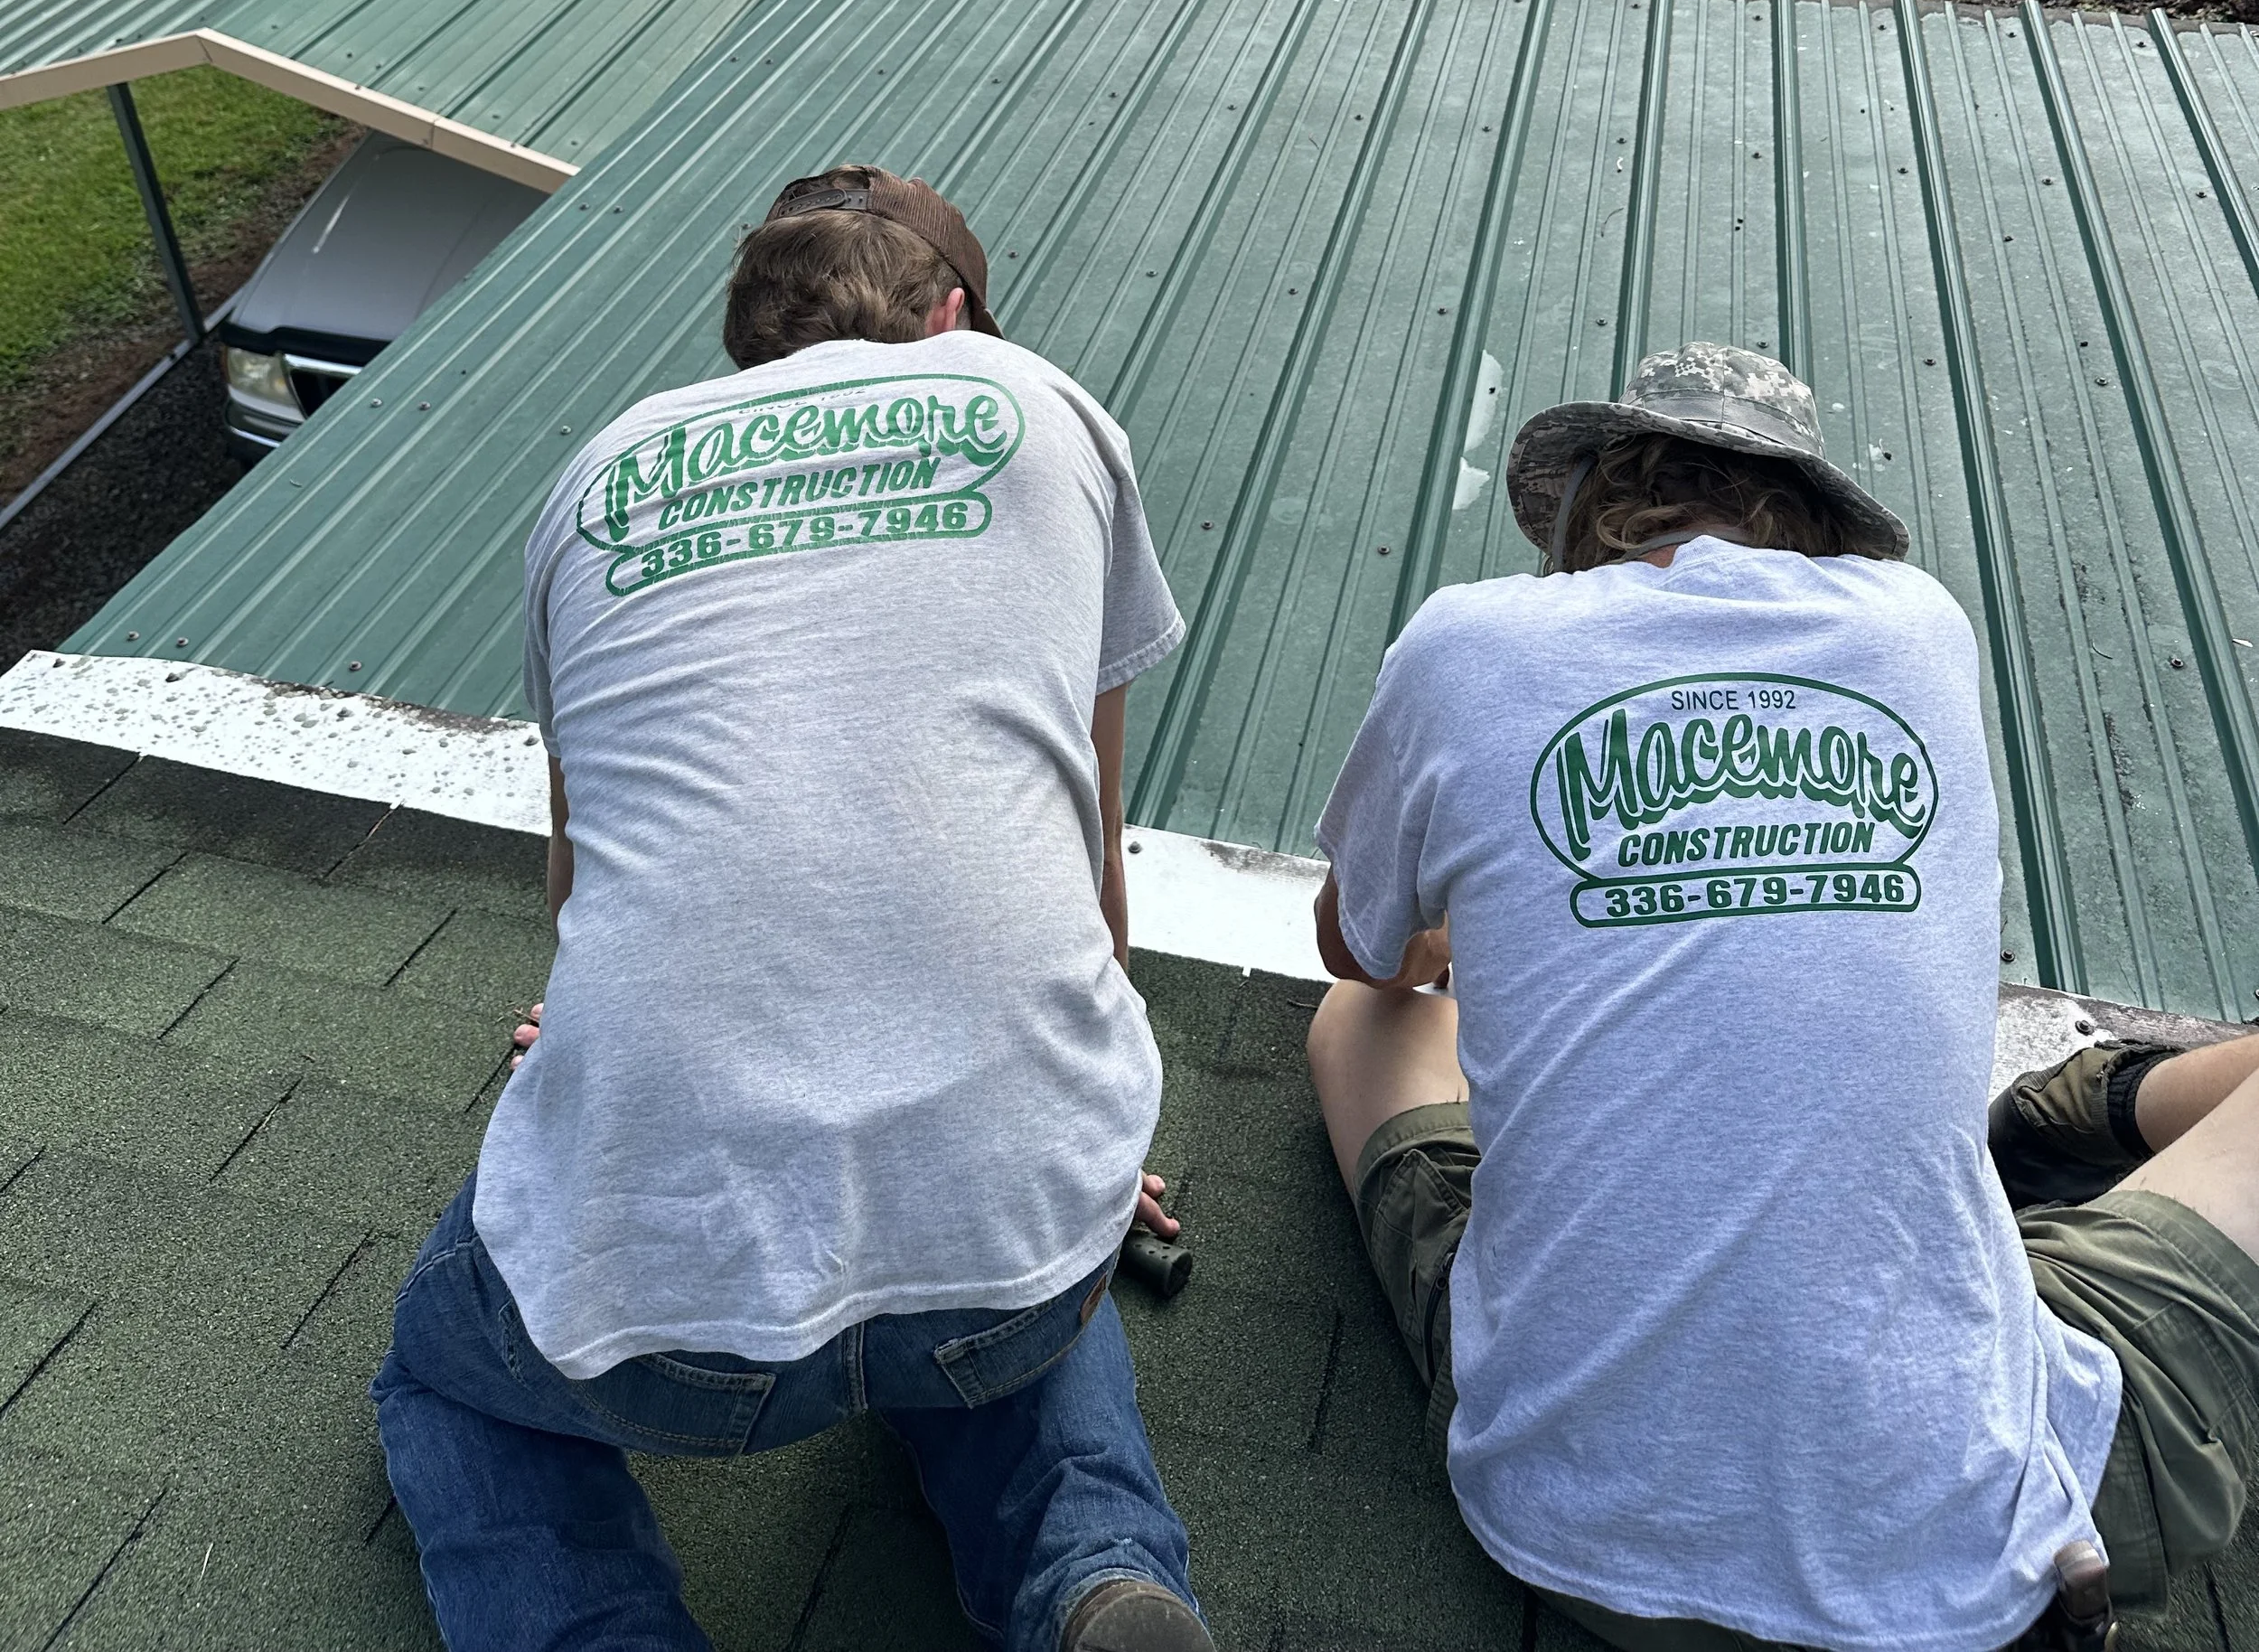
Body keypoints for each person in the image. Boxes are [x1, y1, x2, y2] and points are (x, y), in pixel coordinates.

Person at [1305, 341, 2259, 1652]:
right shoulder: (1923, 625)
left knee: (1359, 1027)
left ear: (1593, 503)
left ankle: (2063, 1119)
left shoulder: (1470, 643)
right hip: (1992, 1531)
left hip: (1581, 1540)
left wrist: (1464, 930)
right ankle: (2089, 1109)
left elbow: (1360, 957)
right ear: (1814, 527)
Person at [373, 165, 1212, 1652]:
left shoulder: (607, 468)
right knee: (1013, 1278)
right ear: (956, 319)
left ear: (751, 342)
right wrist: (1088, 1130)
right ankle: (1094, 1577)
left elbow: (586, 883)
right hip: (1001, 1266)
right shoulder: (1038, 406)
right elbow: (1088, 858)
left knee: (447, 1379)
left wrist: (586, 1041)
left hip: (657, 1297)